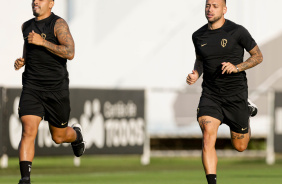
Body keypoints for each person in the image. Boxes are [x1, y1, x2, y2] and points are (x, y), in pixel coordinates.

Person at [186, 0, 263, 183]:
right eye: (207, 5)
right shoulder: (198, 35)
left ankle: (245, 107)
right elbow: (200, 59)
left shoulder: (237, 32)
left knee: (240, 146)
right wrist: (196, 73)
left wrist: (237, 67)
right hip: (211, 95)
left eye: (215, 6)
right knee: (207, 135)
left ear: (224, 9)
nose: (210, 9)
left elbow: (258, 56)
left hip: (235, 95)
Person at [14, 0, 85, 183]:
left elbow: (70, 52)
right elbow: (29, 50)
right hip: (32, 87)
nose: (35, 1)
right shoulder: (26, 26)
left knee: (58, 137)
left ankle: (76, 135)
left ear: (51, 3)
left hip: (56, 89)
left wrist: (43, 41)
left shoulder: (58, 24)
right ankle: (25, 179)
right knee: (28, 131)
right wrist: (22, 61)